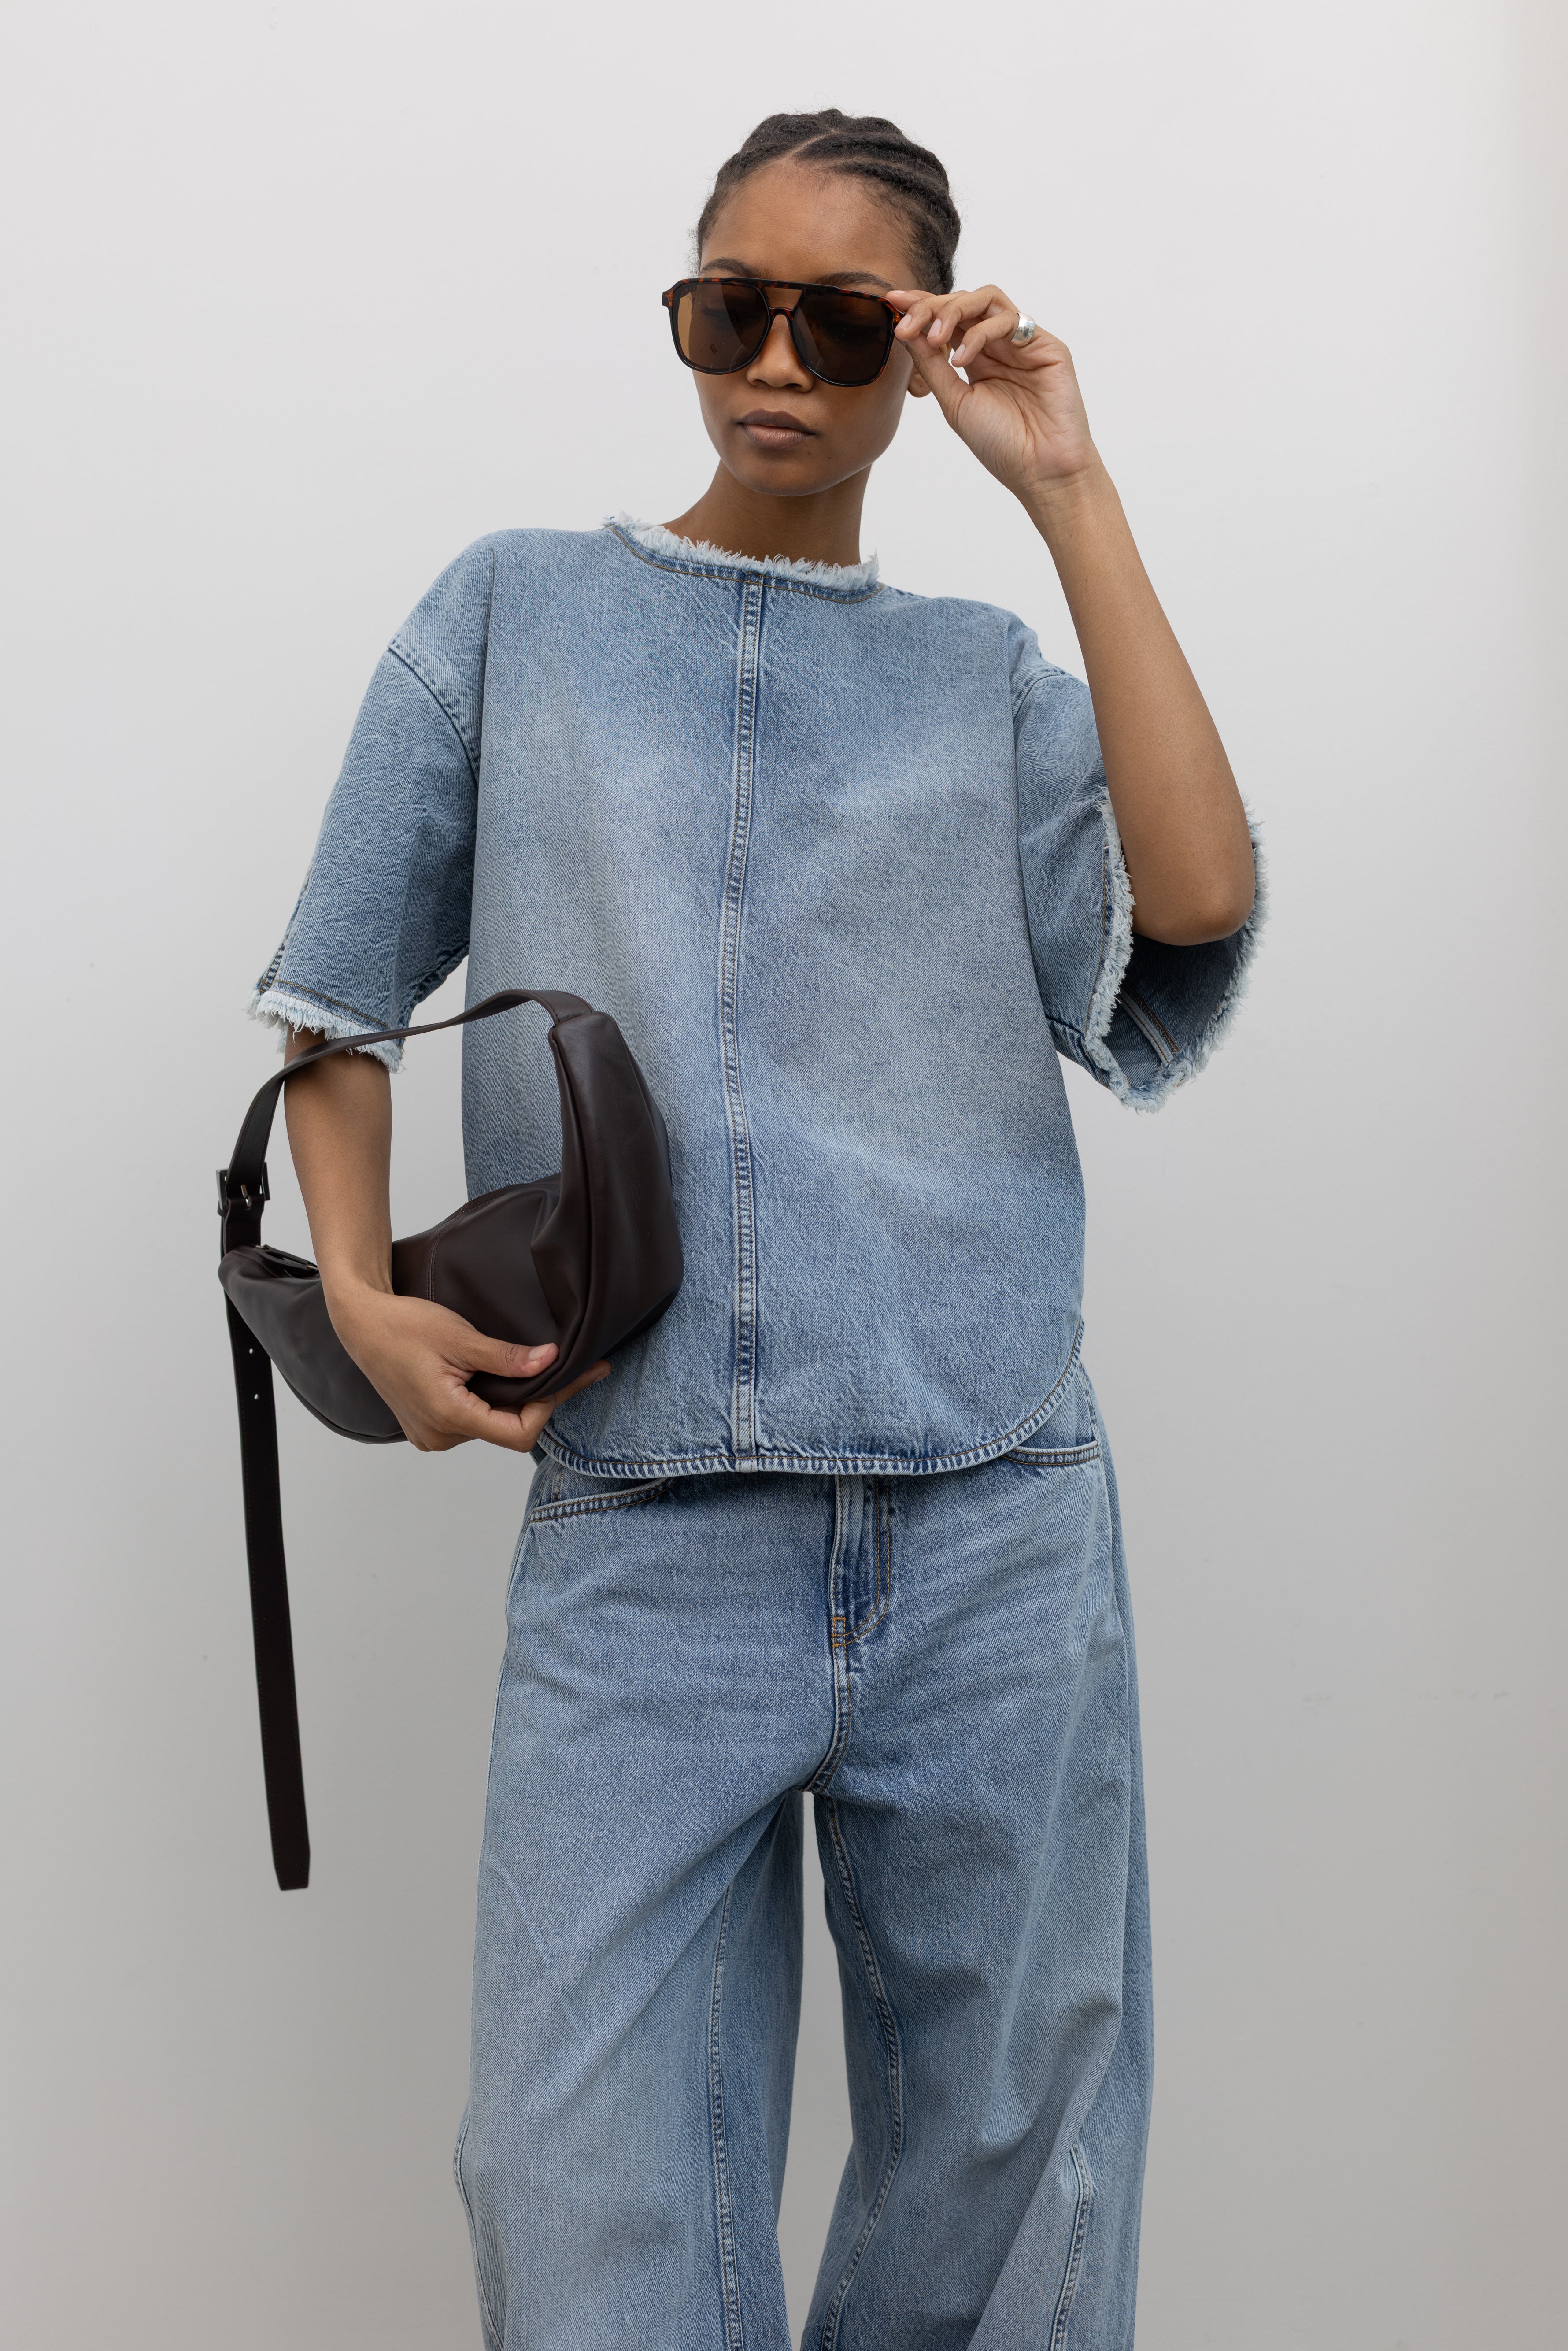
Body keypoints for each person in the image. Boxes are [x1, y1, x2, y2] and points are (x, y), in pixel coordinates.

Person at [259, 108, 1259, 2351]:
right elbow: (335, 1002)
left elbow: (1191, 901)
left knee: (1012, 2192)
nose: (776, 366)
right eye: (730, 311)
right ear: (687, 313)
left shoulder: (985, 681)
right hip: (642, 1527)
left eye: (835, 324)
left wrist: (1067, 490)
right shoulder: (515, 611)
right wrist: (360, 1295)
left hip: (987, 1513)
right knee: (571, 2190)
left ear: (920, 348)